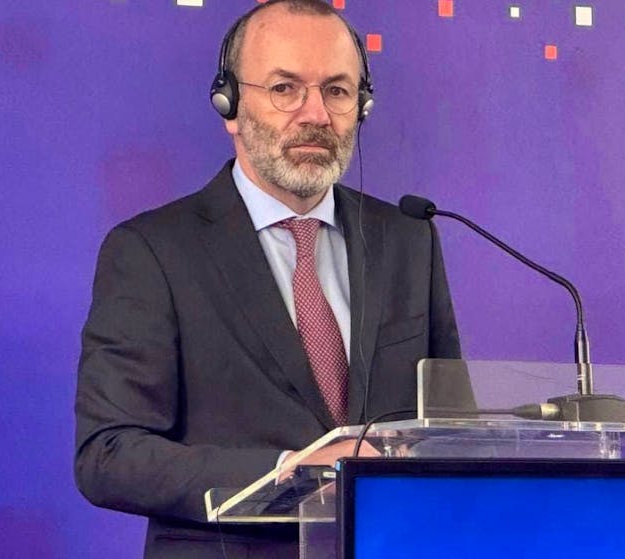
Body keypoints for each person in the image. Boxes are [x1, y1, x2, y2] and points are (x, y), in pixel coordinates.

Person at [74, 1, 461, 557]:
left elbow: (448, 425)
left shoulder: (408, 238)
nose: (315, 115)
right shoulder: (151, 252)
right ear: (229, 104)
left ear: (362, 106)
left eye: (337, 91)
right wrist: (285, 473)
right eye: (285, 89)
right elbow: (107, 454)